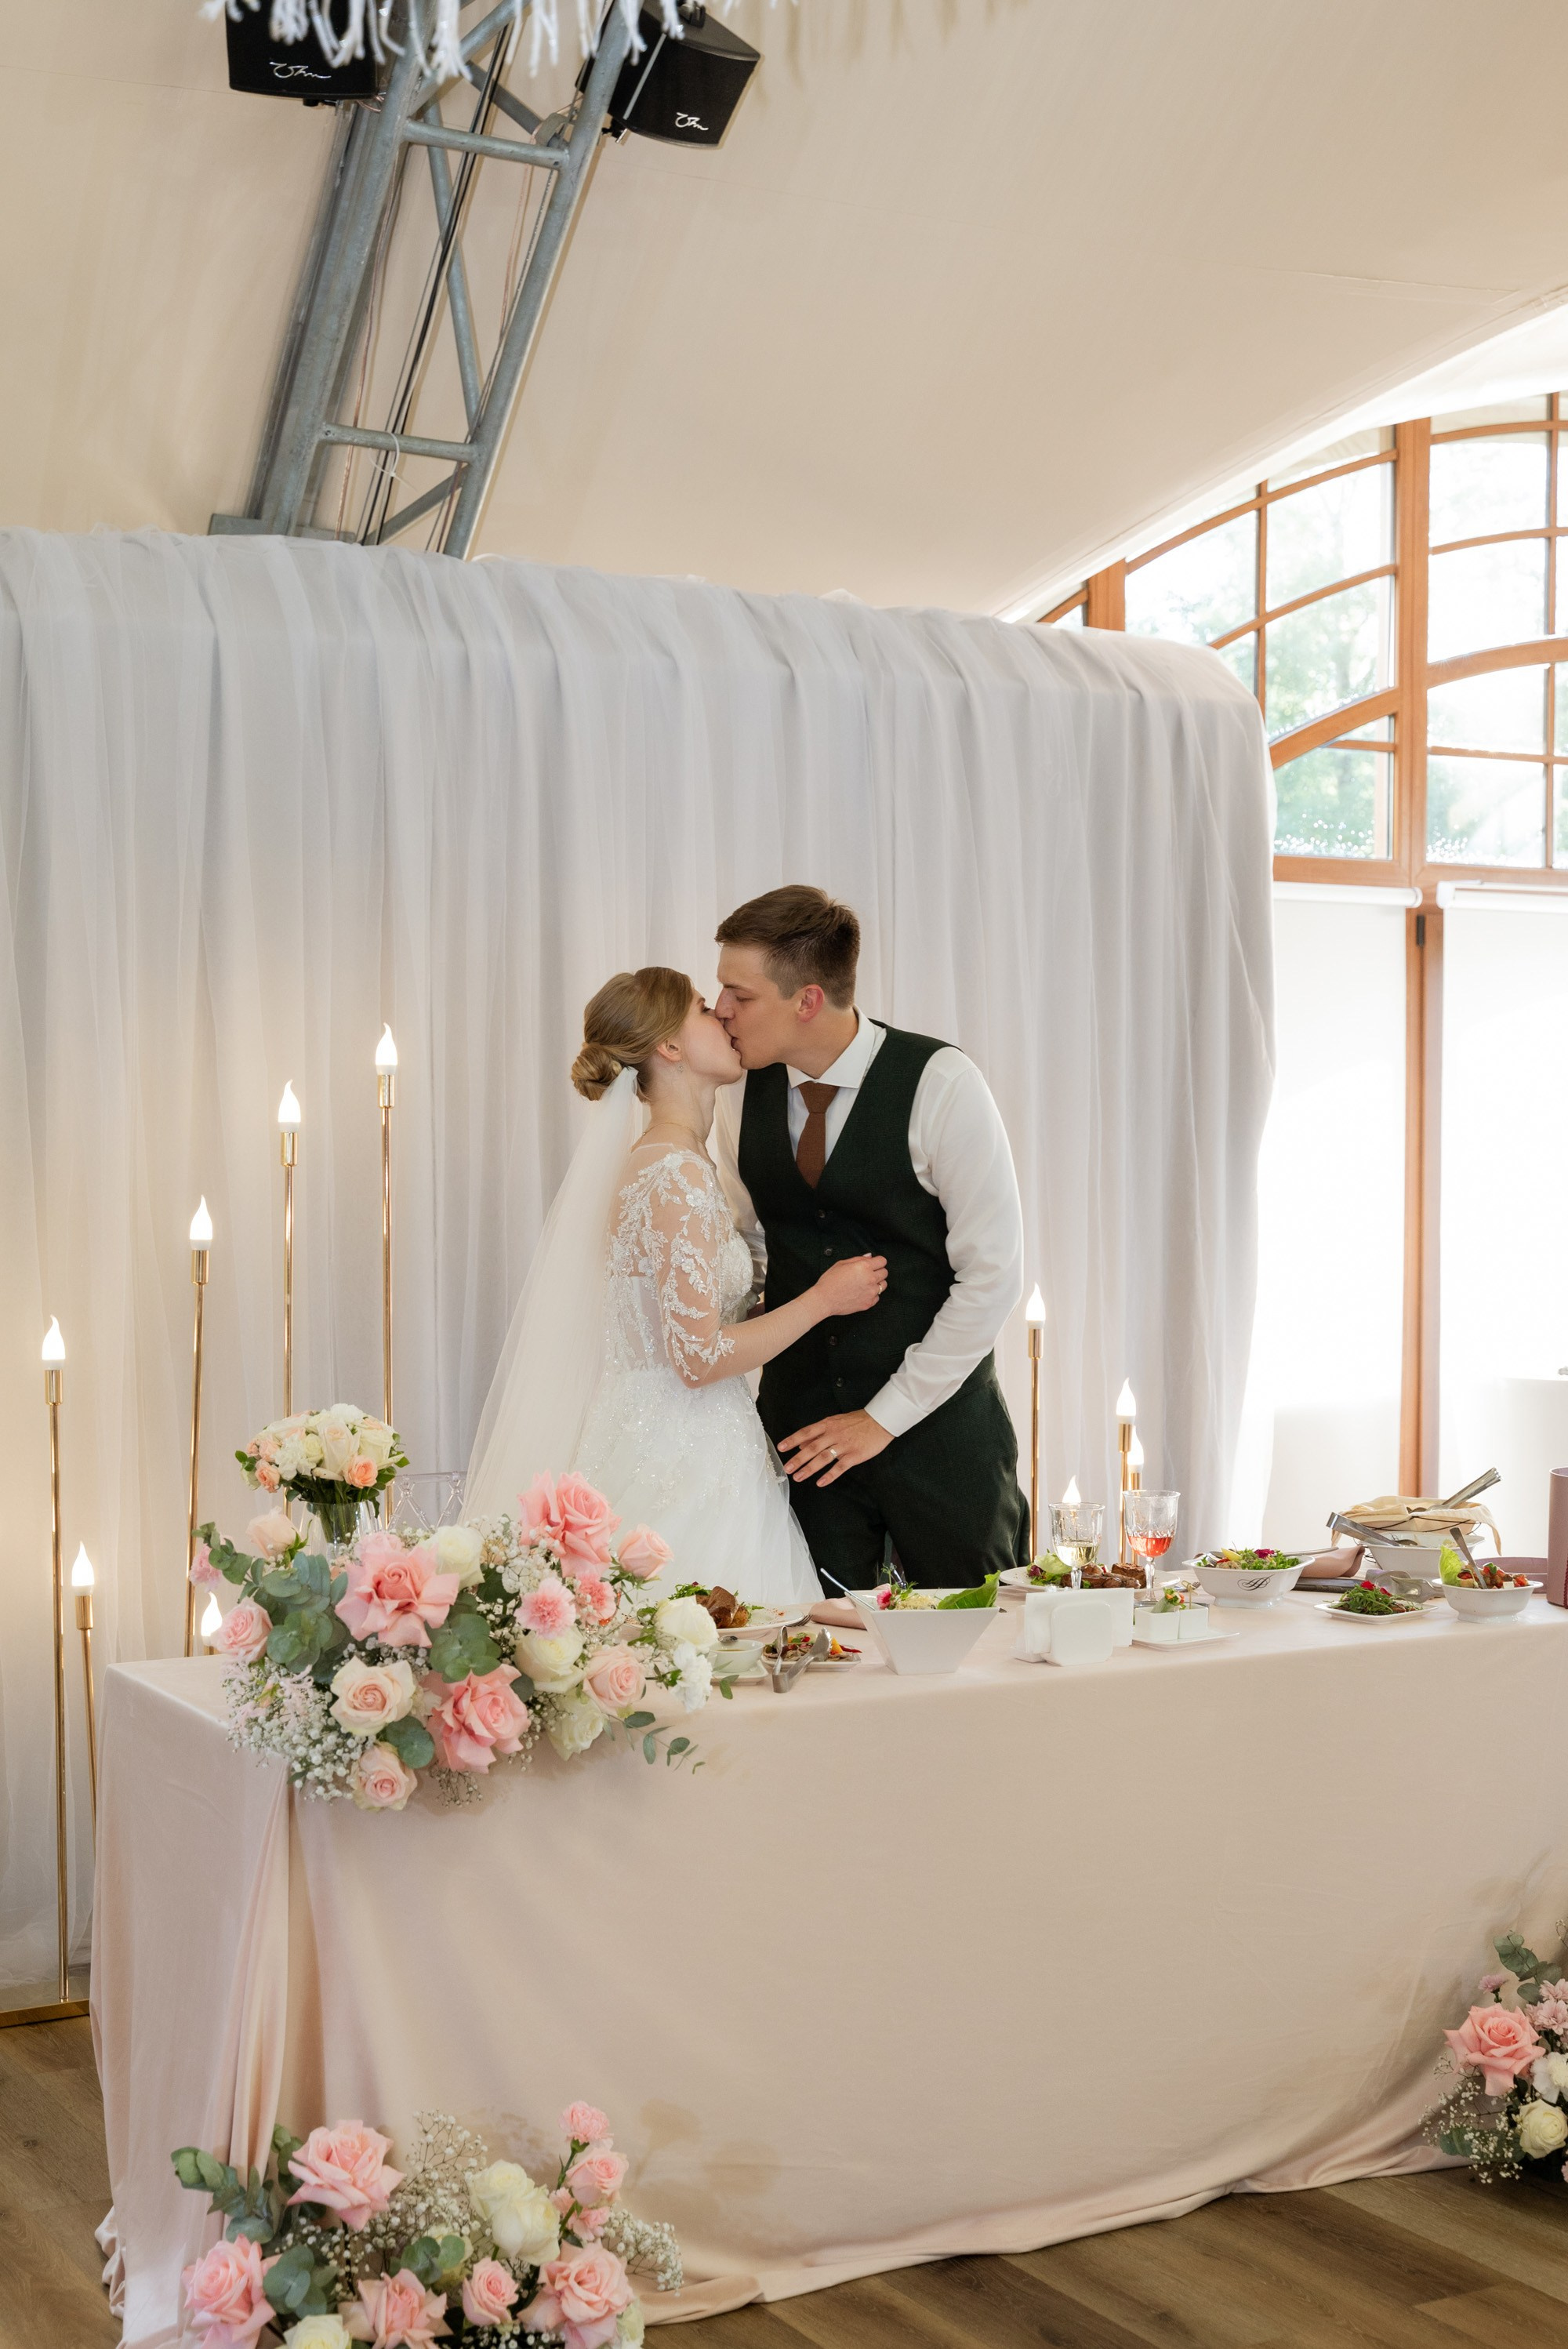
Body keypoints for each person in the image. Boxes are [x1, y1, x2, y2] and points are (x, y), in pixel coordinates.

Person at [464, 967, 886, 1605]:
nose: (722, 1013)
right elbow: (698, 1357)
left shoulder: (681, 1161)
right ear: (669, 1047)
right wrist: (823, 1300)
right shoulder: (673, 1173)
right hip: (677, 1459)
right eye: (701, 1008)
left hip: (695, 1443)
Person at [713, 885, 1029, 1590]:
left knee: (980, 1661)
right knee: (817, 1664)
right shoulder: (736, 1093)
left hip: (943, 1439)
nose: (720, 1011)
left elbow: (993, 1276)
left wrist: (883, 1418)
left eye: (739, 993)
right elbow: (749, 1251)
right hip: (800, 1441)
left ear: (808, 999)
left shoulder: (942, 1084)